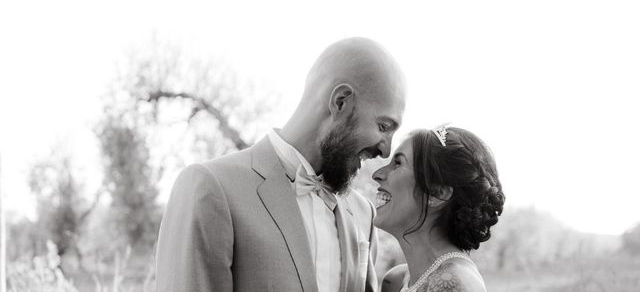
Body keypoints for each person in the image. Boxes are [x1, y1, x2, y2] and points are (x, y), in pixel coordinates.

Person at [155, 37, 406, 292]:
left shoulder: (363, 214)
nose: (385, 150)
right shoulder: (210, 188)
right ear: (340, 101)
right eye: (383, 127)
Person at [373, 125, 504, 292]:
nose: (377, 174)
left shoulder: (453, 283)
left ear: (436, 194)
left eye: (398, 163)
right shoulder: (395, 281)